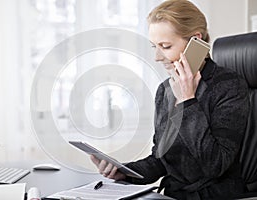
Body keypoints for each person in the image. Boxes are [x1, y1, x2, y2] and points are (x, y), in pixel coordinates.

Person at [90, 0, 250, 199]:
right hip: (172, 195)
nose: (157, 57)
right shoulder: (165, 90)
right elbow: (161, 160)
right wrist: (124, 172)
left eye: (165, 46)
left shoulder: (230, 87)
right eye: (154, 46)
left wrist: (188, 101)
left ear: (195, 41)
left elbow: (214, 165)